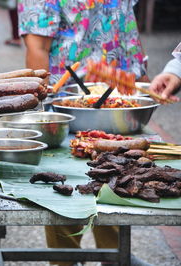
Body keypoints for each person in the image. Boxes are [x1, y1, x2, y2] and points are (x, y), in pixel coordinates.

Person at [18, 1, 150, 265]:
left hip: (123, 101)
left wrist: (144, 86)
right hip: (70, 102)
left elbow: (127, 28)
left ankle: (114, 257)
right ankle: (66, 260)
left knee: (120, 186)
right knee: (66, 193)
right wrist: (45, 112)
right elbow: (37, 47)